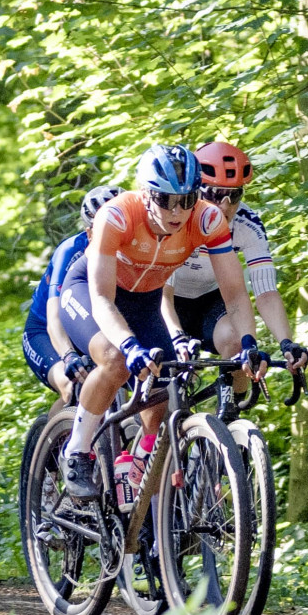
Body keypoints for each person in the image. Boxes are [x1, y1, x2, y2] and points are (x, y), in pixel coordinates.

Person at [62, 143, 245, 500]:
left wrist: (250, 343)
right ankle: (77, 451)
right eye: (166, 200)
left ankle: (141, 460)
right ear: (146, 195)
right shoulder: (117, 215)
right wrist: (129, 345)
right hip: (91, 291)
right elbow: (101, 298)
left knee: (164, 383)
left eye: (187, 199)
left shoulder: (207, 219)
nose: (178, 211)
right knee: (115, 361)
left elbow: (236, 294)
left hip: (145, 299)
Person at [165, 139, 294, 369]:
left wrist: (286, 344)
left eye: (233, 196)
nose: (224, 206)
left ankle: (232, 404)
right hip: (166, 299)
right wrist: (176, 336)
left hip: (209, 300)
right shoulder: (176, 217)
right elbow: (162, 293)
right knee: (167, 381)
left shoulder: (247, 223)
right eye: (215, 193)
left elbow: (266, 293)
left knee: (238, 344)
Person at [23, 183, 127, 397]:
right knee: (74, 388)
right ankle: (59, 429)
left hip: (87, 328)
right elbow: (54, 318)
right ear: (89, 231)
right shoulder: (70, 251)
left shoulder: (133, 250)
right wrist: (68, 355)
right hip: (45, 331)